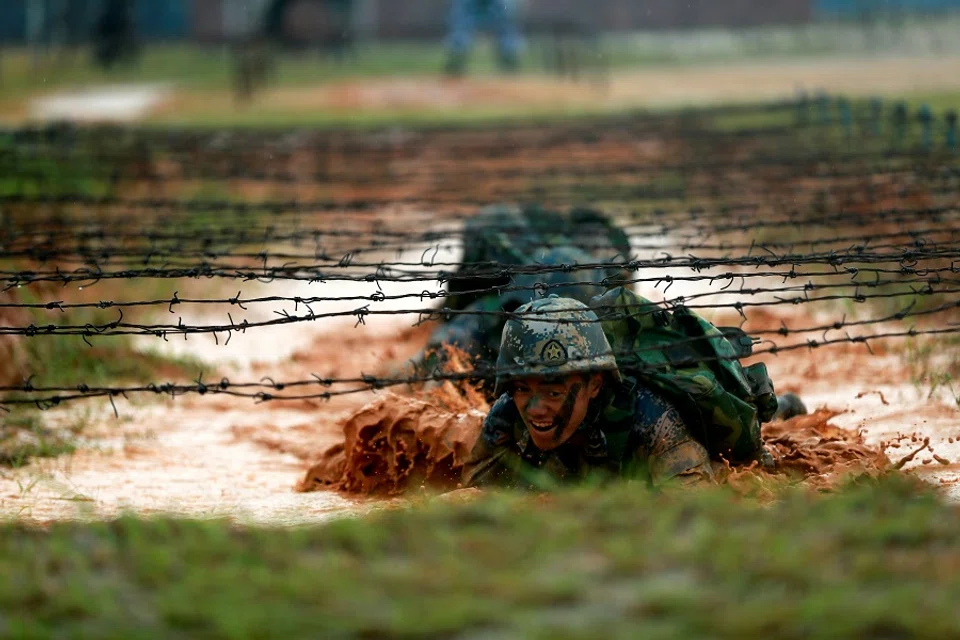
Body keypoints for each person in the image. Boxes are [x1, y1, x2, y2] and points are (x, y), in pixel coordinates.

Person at [461, 296, 806, 490]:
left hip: (674, 447)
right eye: (522, 388)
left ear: (595, 385)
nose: (534, 408)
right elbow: (474, 493)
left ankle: (786, 408)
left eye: (553, 393)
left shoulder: (652, 417)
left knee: (770, 428)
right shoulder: (508, 413)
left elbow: (697, 505)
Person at [445, 0, 522, 76]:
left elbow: (505, 21)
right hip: (471, 10)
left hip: (492, 10)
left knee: (507, 35)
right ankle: (456, 64)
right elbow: (459, 19)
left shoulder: (499, 4)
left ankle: (509, 64)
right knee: (460, 36)